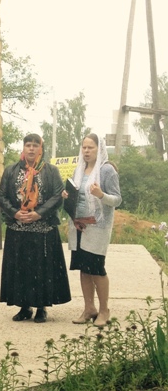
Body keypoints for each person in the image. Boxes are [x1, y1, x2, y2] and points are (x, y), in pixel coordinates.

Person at [0, 133, 71, 323]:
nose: (31, 148)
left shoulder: (51, 171)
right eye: (28, 145)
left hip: (43, 229)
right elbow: (2, 196)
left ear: (41, 149)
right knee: (20, 268)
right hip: (18, 228)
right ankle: (24, 307)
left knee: (41, 268)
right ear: (23, 148)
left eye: (35, 145)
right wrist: (14, 212)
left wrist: (39, 213)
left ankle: (41, 307)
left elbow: (56, 196)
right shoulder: (11, 170)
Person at [65, 133, 122, 327]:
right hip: (79, 225)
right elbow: (76, 195)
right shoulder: (78, 170)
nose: (87, 151)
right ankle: (89, 308)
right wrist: (67, 196)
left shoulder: (106, 171)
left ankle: (104, 310)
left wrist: (101, 194)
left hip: (98, 227)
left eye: (91, 147)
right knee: (83, 269)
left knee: (97, 269)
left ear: (100, 149)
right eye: (84, 147)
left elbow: (117, 199)